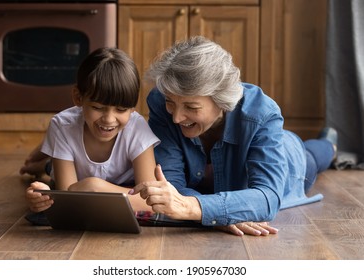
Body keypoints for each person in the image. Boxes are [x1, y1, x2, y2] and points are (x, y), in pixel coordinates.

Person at [129, 36, 337, 236]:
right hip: (219, 187)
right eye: (171, 103)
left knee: (312, 158)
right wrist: (219, 215)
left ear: (221, 100)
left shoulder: (262, 113)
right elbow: (171, 186)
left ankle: (330, 144)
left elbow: (267, 198)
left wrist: (199, 210)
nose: (176, 117)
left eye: (191, 107)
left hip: (289, 156)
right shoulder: (160, 101)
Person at [24, 47, 160, 214]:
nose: (109, 119)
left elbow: (151, 202)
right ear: (78, 98)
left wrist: (95, 186)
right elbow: (69, 195)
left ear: (132, 108)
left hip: (113, 183)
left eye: (121, 109)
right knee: (43, 167)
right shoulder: (63, 126)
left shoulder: (138, 129)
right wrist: (41, 198)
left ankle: (43, 161)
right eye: (98, 107)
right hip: (75, 171)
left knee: (50, 165)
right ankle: (36, 164)